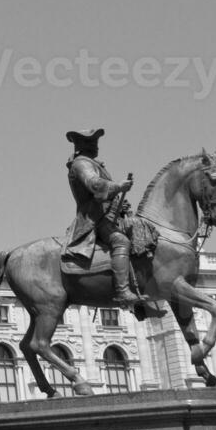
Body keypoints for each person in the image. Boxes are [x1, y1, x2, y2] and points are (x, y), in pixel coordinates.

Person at [61, 128, 144, 309]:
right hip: (95, 219)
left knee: (142, 239)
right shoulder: (81, 164)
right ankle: (123, 292)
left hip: (110, 217)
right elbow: (95, 185)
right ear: (82, 145)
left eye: (95, 141)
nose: (95, 145)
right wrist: (118, 186)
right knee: (121, 241)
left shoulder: (93, 163)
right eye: (91, 142)